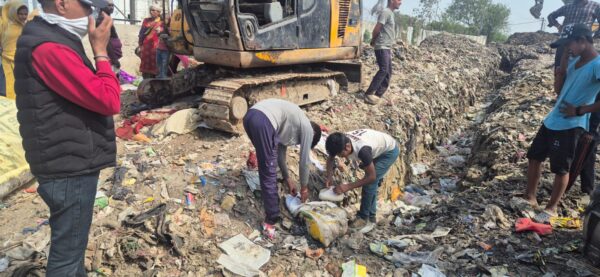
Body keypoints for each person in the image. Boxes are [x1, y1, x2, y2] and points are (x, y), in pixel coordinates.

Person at [14, 0, 119, 275]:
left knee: (73, 248)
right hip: (68, 169)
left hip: (66, 159)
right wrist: (101, 52)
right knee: (66, 258)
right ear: (62, 4)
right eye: (87, 6)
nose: (92, 14)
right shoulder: (50, 48)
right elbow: (108, 99)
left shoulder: (51, 37)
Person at [523, 23, 600, 223]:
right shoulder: (575, 62)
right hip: (553, 118)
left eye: (569, 45)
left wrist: (580, 110)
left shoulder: (597, 65)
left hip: (571, 124)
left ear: (582, 41)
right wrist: (563, 64)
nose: (569, 49)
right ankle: (530, 197)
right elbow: (558, 91)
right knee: (534, 156)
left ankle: (551, 208)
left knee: (560, 168)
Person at [243, 99, 322, 239]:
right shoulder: (308, 130)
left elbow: (280, 154)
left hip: (250, 117)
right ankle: (271, 219)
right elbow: (304, 162)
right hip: (263, 121)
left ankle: (270, 210)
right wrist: (304, 188)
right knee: (268, 173)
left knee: (267, 162)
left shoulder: (292, 124)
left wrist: (287, 179)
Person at [324, 129, 399, 233]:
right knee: (371, 183)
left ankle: (363, 218)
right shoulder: (339, 142)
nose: (341, 157)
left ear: (347, 147)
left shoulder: (362, 150)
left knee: (370, 183)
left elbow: (371, 177)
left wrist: (348, 186)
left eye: (341, 154)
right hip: (377, 147)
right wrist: (329, 176)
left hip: (389, 152)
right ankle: (371, 217)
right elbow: (331, 158)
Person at [548, 0, 600, 94]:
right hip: (565, 41)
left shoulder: (595, 6)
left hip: (581, 43)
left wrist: (595, 35)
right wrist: (559, 26)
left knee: (581, 68)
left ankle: (578, 94)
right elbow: (551, 16)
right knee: (560, 67)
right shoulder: (568, 6)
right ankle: (560, 93)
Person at [364, 0, 401, 105]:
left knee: (388, 72)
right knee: (384, 70)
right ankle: (369, 94)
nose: (400, 2)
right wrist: (373, 40)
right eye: (399, 0)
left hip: (387, 47)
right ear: (392, 1)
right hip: (382, 46)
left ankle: (378, 95)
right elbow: (377, 28)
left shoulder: (390, 13)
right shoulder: (386, 12)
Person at [0, 1, 28, 100]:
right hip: (7, 61)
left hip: (23, 60)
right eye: (20, 14)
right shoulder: (5, 25)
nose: (23, 16)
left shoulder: (26, 26)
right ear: (14, 13)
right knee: (8, 85)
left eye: (25, 14)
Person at [138, 5, 164, 78]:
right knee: (145, 63)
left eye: (157, 11)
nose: (154, 12)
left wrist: (161, 30)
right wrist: (140, 44)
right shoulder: (146, 20)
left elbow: (167, 30)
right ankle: (146, 80)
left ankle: (156, 80)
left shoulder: (162, 21)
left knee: (156, 63)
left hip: (157, 46)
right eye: (152, 10)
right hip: (146, 45)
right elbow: (141, 33)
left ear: (159, 12)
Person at [97, 0, 121, 73]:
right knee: (111, 76)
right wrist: (114, 59)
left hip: (112, 55)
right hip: (110, 56)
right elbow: (105, 41)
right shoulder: (102, 19)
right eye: (109, 5)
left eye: (112, 5)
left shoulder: (107, 18)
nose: (112, 8)